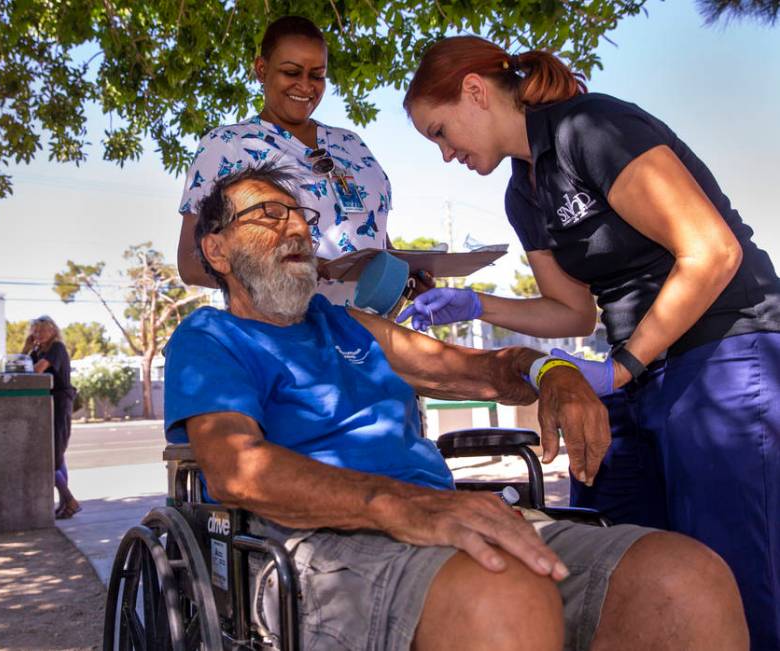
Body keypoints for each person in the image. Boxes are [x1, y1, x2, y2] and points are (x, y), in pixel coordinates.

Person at [163, 163, 748, 651]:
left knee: (684, 578)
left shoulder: (353, 326)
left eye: (301, 216)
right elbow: (235, 469)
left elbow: (485, 371)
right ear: (215, 249)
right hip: (311, 540)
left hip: (437, 521)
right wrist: (401, 505)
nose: (295, 228)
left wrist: (554, 371)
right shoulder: (210, 338)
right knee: (507, 597)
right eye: (269, 214)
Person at [399, 35, 780, 648]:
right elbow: (571, 312)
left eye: (441, 132)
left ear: (474, 91)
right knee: (625, 556)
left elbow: (711, 251)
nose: (445, 155)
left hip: (724, 350)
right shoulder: (521, 190)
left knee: (735, 574)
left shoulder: (589, 125)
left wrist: (623, 366)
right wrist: (472, 303)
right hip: (642, 370)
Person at [177, 15, 394, 305]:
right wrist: (293, 269)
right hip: (288, 338)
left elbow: (369, 235)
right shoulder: (228, 146)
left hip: (370, 335)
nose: (306, 86)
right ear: (261, 69)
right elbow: (192, 264)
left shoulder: (351, 144)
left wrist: (407, 272)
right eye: (292, 72)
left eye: (317, 75)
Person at [24, 316, 80, 519]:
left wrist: (29, 360)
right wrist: (26, 347)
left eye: (42, 330)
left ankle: (70, 500)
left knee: (51, 456)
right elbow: (22, 367)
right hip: (44, 406)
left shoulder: (57, 348)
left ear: (53, 331)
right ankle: (67, 503)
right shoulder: (36, 352)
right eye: (35, 331)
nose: (38, 334)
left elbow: (36, 370)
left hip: (59, 404)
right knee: (56, 455)